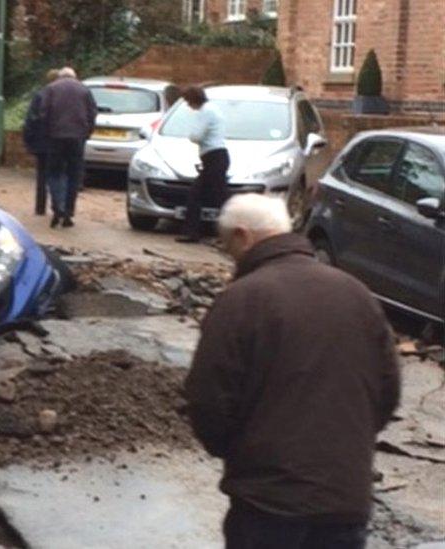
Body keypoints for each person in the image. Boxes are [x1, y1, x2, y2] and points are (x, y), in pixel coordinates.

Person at [185, 194, 401, 549]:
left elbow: (209, 398)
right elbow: (387, 390)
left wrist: (238, 452)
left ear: (243, 236)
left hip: (267, 502)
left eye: (228, 247)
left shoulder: (241, 299)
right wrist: (348, 445)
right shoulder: (356, 294)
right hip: (344, 498)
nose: (231, 258)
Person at [40, 67, 96, 228]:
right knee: (74, 176)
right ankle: (68, 212)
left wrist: (46, 134)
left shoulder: (51, 89)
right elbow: (92, 114)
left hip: (55, 137)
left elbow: (43, 114)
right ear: (74, 77)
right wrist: (87, 134)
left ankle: (58, 206)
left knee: (54, 173)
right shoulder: (84, 90)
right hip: (77, 138)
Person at [178, 86, 229, 243]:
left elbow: (196, 136)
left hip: (214, 157)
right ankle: (197, 232)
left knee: (198, 195)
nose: (188, 105)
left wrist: (191, 134)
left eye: (188, 101)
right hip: (216, 157)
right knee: (216, 197)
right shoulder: (213, 109)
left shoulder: (205, 112)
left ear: (193, 100)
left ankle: (193, 232)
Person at [22, 69, 59, 216]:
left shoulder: (40, 95)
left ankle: (40, 207)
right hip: (57, 141)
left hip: (41, 142)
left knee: (42, 175)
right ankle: (57, 206)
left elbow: (31, 119)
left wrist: (29, 140)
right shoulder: (61, 96)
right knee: (57, 174)